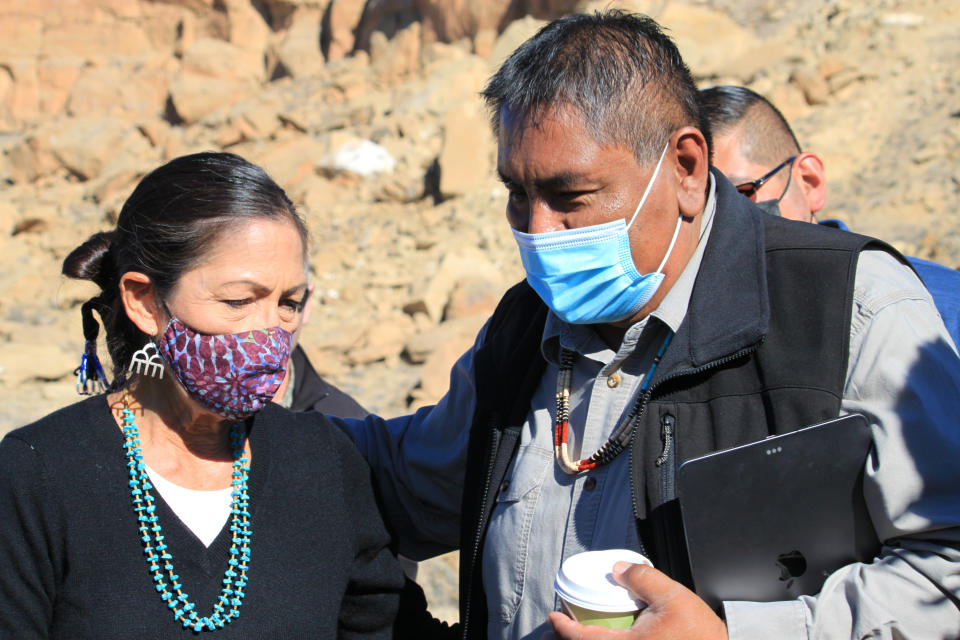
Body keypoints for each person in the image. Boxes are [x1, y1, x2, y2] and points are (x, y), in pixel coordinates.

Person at [327, 10, 960, 640]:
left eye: (571, 197)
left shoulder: (848, 308)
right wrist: (259, 435)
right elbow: (411, 481)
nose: (538, 231)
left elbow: (947, 570)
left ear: (685, 169)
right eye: (518, 195)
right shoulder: (525, 333)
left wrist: (731, 638)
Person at [0, 152, 403, 638]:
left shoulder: (323, 463)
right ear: (145, 302)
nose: (270, 332)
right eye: (237, 301)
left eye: (289, 303)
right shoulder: (38, 475)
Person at [699, 84, 960, 348]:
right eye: (701, 206)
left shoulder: (936, 303)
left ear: (809, 182)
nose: (719, 221)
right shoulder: (698, 330)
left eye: (743, 193)